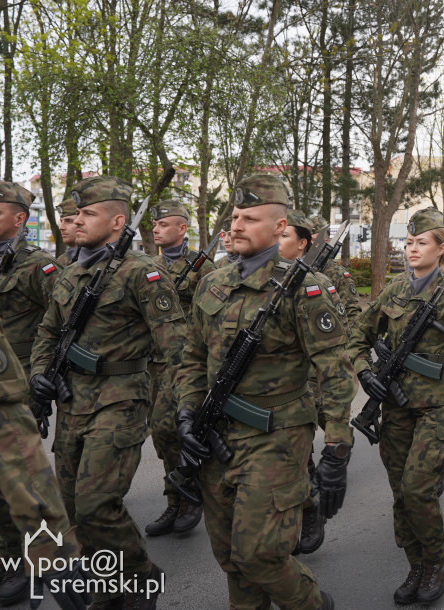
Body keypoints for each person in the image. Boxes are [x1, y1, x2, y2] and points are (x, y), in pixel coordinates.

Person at [172, 175, 352, 610]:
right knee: (231, 557)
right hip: (216, 436)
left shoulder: (306, 289)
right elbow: (193, 357)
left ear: (279, 226)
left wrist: (337, 448)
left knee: (261, 556)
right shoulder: (212, 282)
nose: (236, 225)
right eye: (235, 216)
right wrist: (186, 414)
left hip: (277, 437)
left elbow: (335, 371)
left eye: (250, 218)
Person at [30, 176, 183, 609]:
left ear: (118, 221)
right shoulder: (70, 269)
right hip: (72, 401)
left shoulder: (143, 274)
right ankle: (109, 581)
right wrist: (39, 373)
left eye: (87, 214)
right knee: (74, 510)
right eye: (75, 214)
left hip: (121, 399)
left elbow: (177, 348)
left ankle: (139, 577)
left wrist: (182, 410)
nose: (76, 221)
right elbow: (48, 331)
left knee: (98, 504)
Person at [348, 208, 444, 605]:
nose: (412, 249)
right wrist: (365, 374)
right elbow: (356, 339)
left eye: (421, 243)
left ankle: (435, 561)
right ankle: (415, 563)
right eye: (409, 243)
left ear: (441, 249)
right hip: (394, 406)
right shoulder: (393, 290)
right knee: (400, 493)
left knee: (418, 488)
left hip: (438, 407)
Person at [0, 250, 88, 610]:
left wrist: (52, 546)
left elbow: (59, 322)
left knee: (96, 498)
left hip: (13, 372)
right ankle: (12, 562)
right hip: (3, 373)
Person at [0, 182, 62, 605]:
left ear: (19, 219)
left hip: (19, 388)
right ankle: (9, 558)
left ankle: (29, 561)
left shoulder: (40, 267)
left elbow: (58, 327)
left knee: (0, 476)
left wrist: (42, 381)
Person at [143, 200, 217, 538]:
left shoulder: (204, 268)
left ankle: (190, 496)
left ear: (182, 229)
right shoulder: (147, 266)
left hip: (187, 363)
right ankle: (176, 500)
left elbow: (217, 317)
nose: (155, 229)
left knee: (175, 428)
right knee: (161, 435)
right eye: (154, 225)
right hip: (154, 363)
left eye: (162, 224)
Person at [290, 212, 354, 556]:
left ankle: (310, 505)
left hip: (313, 378)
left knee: (302, 450)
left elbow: (344, 320)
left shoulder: (322, 280)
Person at [308, 215, 363, 328]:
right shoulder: (301, 269)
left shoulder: (338, 274)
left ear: (326, 241)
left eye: (314, 240)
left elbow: (352, 314)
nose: (310, 245)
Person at [56, 196, 80, 266]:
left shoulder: (95, 258)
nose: (61, 227)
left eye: (69, 221)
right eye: (61, 221)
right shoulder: (61, 260)